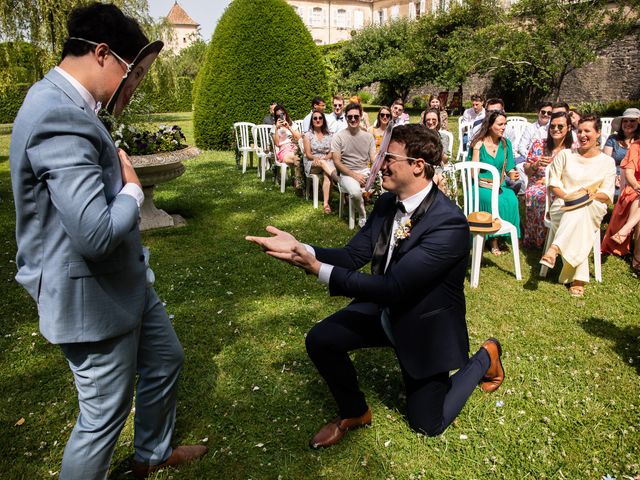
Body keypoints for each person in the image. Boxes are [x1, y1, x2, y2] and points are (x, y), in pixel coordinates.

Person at [8, 4, 207, 479]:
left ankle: (151, 455)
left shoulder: (72, 104)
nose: (134, 85)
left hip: (124, 282)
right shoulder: (59, 112)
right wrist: (134, 190)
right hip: (90, 297)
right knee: (102, 418)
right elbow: (95, 233)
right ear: (102, 54)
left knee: (165, 360)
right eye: (132, 72)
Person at [245, 124, 504, 447]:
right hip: (385, 311)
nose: (378, 163)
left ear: (418, 166)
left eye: (388, 157)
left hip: (424, 326)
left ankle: (485, 357)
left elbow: (394, 287)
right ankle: (355, 412)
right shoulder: (386, 203)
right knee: (321, 340)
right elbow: (354, 255)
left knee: (427, 424)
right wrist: (304, 249)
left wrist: (318, 270)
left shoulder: (449, 224)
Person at [539, 114, 616, 297]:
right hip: (562, 205)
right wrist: (570, 197)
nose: (582, 135)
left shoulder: (607, 162)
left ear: (598, 133)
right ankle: (578, 279)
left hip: (593, 206)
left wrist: (587, 196)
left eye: (587, 131)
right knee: (579, 212)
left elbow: (606, 194)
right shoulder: (565, 155)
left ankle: (554, 248)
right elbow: (554, 184)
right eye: (579, 131)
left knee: (583, 209)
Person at [468, 110, 521, 256]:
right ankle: (492, 241)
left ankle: (499, 234)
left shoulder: (505, 144)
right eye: (500, 124)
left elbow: (509, 166)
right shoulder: (478, 143)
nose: (504, 127)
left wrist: (512, 173)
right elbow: (473, 174)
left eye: (505, 124)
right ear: (490, 125)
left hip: (499, 185)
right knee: (492, 200)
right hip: (480, 186)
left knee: (511, 200)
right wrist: (477, 150)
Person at [522, 112, 573, 249]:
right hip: (538, 183)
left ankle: (560, 239)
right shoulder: (539, 145)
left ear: (568, 128)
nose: (556, 129)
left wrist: (550, 181)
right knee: (538, 195)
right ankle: (538, 240)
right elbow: (527, 170)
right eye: (553, 126)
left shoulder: (573, 150)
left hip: (562, 186)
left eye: (560, 126)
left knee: (559, 196)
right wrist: (535, 164)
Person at [332, 102, 377, 227]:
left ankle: (382, 218)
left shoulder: (368, 137)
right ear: (346, 118)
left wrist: (377, 169)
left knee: (388, 187)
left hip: (365, 171)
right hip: (347, 173)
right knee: (356, 192)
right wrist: (354, 175)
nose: (353, 119)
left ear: (361, 117)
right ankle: (363, 215)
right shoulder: (338, 137)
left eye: (356, 117)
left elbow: (373, 159)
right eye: (350, 117)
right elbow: (336, 162)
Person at [601, 140, 640, 271]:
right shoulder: (636, 146)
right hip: (635, 188)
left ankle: (626, 229)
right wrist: (636, 186)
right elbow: (629, 173)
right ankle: (637, 258)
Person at [303, 109, 337, 214]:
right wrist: (316, 158)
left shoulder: (329, 135)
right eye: (315, 118)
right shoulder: (308, 135)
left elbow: (332, 152)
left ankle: (326, 203)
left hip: (326, 160)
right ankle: (338, 179)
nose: (318, 120)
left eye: (320, 118)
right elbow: (308, 154)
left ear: (323, 120)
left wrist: (325, 158)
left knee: (327, 174)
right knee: (324, 165)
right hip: (312, 162)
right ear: (312, 121)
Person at [603, 108, 640, 196]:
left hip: (635, 175)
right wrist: (615, 176)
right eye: (625, 121)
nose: (628, 123)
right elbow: (606, 162)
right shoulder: (613, 139)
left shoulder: (639, 143)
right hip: (613, 174)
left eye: (632, 121)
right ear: (621, 123)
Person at [272, 103, 303, 191]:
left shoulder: (292, 124)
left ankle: (302, 183)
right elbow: (277, 144)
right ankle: (299, 185)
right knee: (297, 159)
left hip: (295, 147)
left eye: (282, 114)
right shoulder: (274, 127)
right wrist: (277, 129)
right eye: (278, 115)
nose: (281, 117)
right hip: (284, 150)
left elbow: (299, 137)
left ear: (285, 113)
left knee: (301, 158)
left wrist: (289, 127)